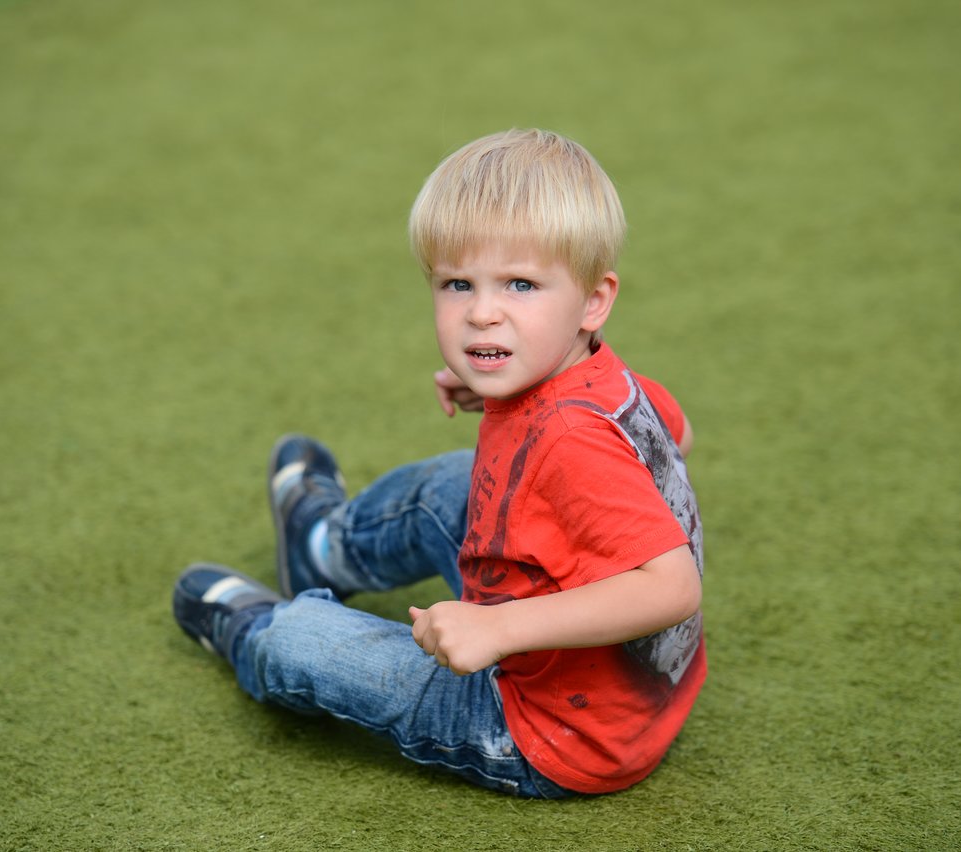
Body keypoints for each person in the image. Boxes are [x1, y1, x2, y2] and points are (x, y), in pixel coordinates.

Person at [172, 129, 705, 798]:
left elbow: (670, 587)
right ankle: (320, 550)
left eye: (520, 284)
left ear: (594, 300)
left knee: (308, 645)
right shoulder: (602, 379)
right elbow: (671, 443)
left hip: (548, 731)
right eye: (458, 283)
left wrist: (498, 626)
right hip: (631, 693)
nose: (483, 314)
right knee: (456, 482)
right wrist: (509, 391)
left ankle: (255, 635)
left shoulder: (572, 437)